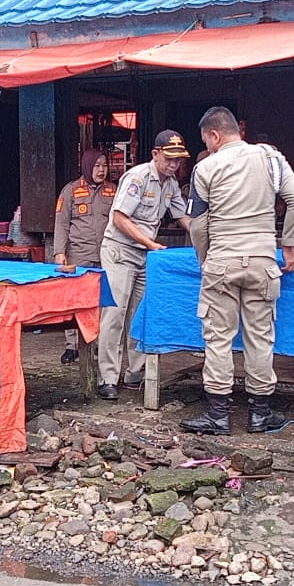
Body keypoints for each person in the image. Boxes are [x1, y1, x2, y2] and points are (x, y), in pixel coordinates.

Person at [180, 107, 294, 435]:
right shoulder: (271, 158)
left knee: (218, 338)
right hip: (263, 263)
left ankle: (219, 416)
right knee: (260, 337)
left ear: (214, 135)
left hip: (221, 262)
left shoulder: (205, 167)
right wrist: (288, 244)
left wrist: (207, 259)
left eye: (206, 140)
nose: (207, 147)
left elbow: (197, 225)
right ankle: (260, 414)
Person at [96, 129, 191, 400]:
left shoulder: (170, 184)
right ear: (156, 154)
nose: (173, 165)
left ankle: (134, 373)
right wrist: (150, 244)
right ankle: (107, 378)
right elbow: (120, 219)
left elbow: (183, 217)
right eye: (169, 159)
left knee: (139, 315)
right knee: (115, 314)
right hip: (120, 251)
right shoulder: (137, 177)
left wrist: (205, 237)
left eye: (178, 160)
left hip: (145, 255)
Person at [54, 148, 116, 364]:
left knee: (100, 302)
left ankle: (97, 344)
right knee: (75, 301)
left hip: (106, 256)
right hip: (78, 255)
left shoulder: (113, 191)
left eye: (104, 165)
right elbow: (61, 225)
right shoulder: (70, 191)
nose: (101, 170)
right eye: (97, 165)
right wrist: (59, 252)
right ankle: (72, 345)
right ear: (87, 166)